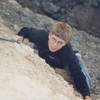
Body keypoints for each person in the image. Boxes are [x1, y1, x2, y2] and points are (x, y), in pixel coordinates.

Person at [14, 22, 92, 100]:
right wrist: (21, 36)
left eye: (60, 42)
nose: (54, 45)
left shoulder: (68, 53)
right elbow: (26, 30)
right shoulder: (41, 35)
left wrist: (87, 96)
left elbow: (78, 74)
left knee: (86, 82)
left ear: (65, 44)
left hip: (68, 60)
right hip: (51, 58)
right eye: (53, 39)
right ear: (50, 35)